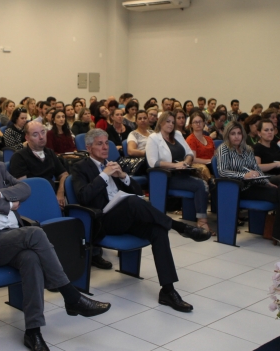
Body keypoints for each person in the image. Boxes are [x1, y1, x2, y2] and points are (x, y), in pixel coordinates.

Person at [0, 127, 111, 351]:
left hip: (10, 236)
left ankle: (33, 332)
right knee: (34, 234)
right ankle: (70, 296)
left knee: (31, 258)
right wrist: (7, 204)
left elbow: (25, 188)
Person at [72, 129, 211, 310]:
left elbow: (138, 193)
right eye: (100, 144)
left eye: (107, 143)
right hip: (103, 221)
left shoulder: (114, 164)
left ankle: (168, 291)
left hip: (126, 216)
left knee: (158, 230)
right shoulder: (80, 167)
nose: (105, 147)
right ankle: (180, 227)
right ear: (89, 147)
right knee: (130, 201)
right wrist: (104, 175)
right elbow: (83, 196)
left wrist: (124, 177)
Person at [216, 121, 280, 243]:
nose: (236, 136)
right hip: (239, 188)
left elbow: (256, 169)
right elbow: (222, 172)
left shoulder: (247, 149)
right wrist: (244, 175)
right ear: (228, 135)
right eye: (233, 134)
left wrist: (265, 182)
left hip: (254, 184)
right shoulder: (224, 149)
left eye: (239, 133)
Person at [146, 112, 213, 235]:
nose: (171, 124)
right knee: (201, 185)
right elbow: (153, 162)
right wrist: (175, 165)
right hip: (167, 177)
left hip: (184, 171)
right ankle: (202, 221)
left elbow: (189, 153)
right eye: (168, 121)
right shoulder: (154, 138)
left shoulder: (177, 134)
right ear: (161, 122)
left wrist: (186, 162)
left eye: (173, 122)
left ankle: (200, 217)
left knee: (209, 182)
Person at [185, 111, 215, 181]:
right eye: (195, 122)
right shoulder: (190, 139)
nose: (198, 124)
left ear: (204, 123)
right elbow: (193, 159)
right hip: (199, 169)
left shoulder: (209, 138)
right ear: (191, 125)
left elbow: (215, 154)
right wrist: (209, 161)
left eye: (200, 121)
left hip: (212, 165)